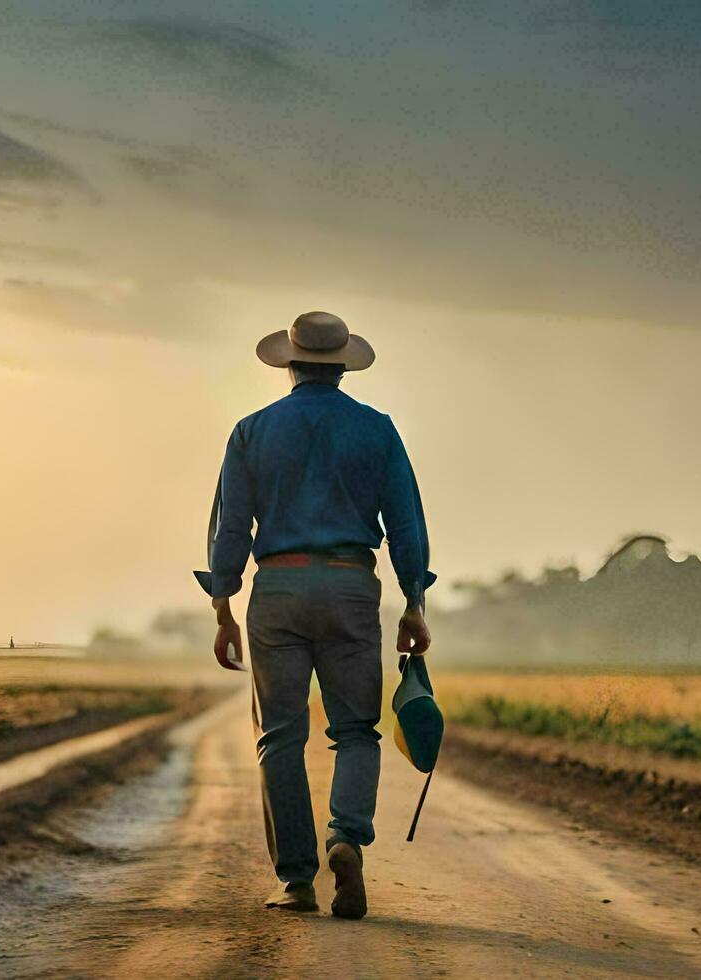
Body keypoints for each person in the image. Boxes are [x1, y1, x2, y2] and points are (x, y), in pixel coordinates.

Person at [194, 311, 435, 920]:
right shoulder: (378, 431)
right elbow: (406, 525)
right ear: (342, 367)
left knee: (280, 736)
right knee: (356, 730)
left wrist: (223, 605)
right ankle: (346, 838)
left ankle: (296, 882)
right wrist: (414, 603)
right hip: (353, 587)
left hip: (276, 589)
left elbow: (230, 529)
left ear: (290, 365)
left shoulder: (251, 431)